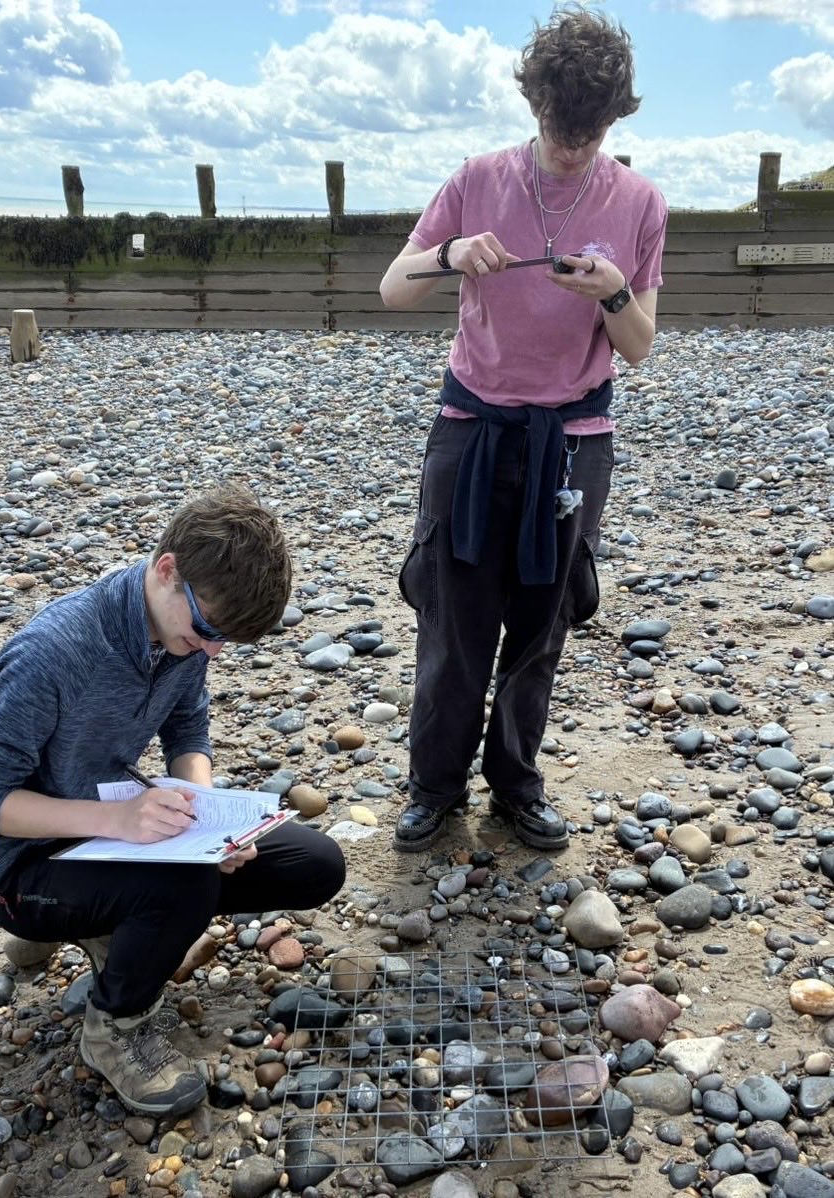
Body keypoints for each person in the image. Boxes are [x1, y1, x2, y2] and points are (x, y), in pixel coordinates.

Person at [0, 485, 346, 1117]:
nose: (212, 651)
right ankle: (115, 1027)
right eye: (209, 631)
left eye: (226, 641)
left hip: (113, 831)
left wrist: (211, 820)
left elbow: (187, 730)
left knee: (315, 863)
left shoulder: (180, 630)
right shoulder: (53, 652)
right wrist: (115, 819)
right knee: (182, 888)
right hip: (22, 868)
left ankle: (120, 926)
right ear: (167, 571)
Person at [380, 6, 667, 853]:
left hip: (575, 439)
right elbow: (393, 288)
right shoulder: (476, 179)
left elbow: (639, 346)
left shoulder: (640, 203)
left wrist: (614, 292)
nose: (571, 149)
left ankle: (515, 785)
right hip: (471, 427)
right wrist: (449, 255)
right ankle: (434, 787)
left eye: (589, 133)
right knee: (451, 618)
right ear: (533, 103)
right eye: (557, 128)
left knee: (544, 622)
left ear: (614, 118)